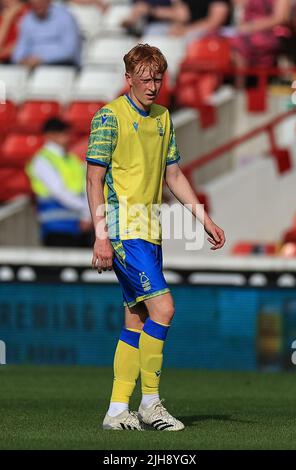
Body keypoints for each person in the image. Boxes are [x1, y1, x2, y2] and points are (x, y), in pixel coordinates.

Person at [86, 44, 225, 431]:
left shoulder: (163, 118)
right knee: (164, 310)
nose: (152, 86)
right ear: (128, 78)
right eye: (144, 78)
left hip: (150, 232)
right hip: (123, 230)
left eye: (158, 78)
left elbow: (174, 174)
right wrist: (101, 234)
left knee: (137, 319)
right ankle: (150, 403)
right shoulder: (109, 117)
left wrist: (204, 219)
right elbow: (94, 179)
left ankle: (116, 410)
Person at [26, 118, 92, 247]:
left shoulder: (73, 160)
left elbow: (87, 187)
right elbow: (58, 191)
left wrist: (87, 216)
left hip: (79, 225)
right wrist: (86, 211)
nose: (67, 136)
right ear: (49, 135)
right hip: (56, 228)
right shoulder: (42, 160)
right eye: (62, 132)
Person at [12, 0, 81, 67]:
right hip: (31, 67)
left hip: (61, 65)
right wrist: (23, 60)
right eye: (34, 3)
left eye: (40, 2)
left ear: (48, 1)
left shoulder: (65, 17)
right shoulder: (27, 20)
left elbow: (69, 51)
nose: (37, 5)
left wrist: (41, 59)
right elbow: (18, 52)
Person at [230, 0, 291, 68]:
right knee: (222, 41)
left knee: (238, 42)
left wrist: (250, 27)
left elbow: (280, 18)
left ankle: (241, 76)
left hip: (272, 32)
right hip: (247, 31)